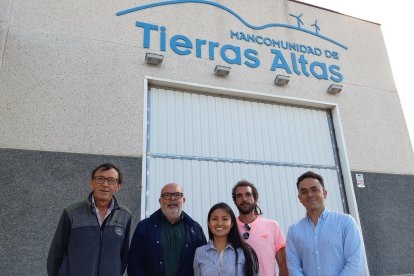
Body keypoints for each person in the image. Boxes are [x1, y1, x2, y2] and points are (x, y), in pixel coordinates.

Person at [47, 163, 131, 276]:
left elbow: (123, 254)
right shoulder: (72, 212)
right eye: (100, 179)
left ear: (118, 186)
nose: (105, 184)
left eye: (111, 180)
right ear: (92, 183)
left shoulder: (125, 215)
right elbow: (56, 253)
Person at [286, 171, 367, 275]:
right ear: (300, 198)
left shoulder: (346, 223)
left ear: (324, 193)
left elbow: (356, 263)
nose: (310, 194)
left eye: (314, 189)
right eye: (304, 191)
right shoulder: (294, 231)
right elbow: (293, 268)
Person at [128, 183, 207, 276]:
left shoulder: (195, 229)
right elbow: (134, 265)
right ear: (160, 201)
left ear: (183, 200)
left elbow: (204, 264)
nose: (172, 198)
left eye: (177, 195)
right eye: (167, 195)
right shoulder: (144, 227)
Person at [232, 180, 288, 276]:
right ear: (235, 201)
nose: (244, 199)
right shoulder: (230, 227)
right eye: (239, 196)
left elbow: (284, 264)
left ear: (256, 198)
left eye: (248, 194)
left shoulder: (272, 226)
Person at [193, 202, 259, 276]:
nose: (219, 223)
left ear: (232, 223)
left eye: (225, 219)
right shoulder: (200, 252)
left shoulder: (245, 251)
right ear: (209, 223)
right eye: (214, 219)